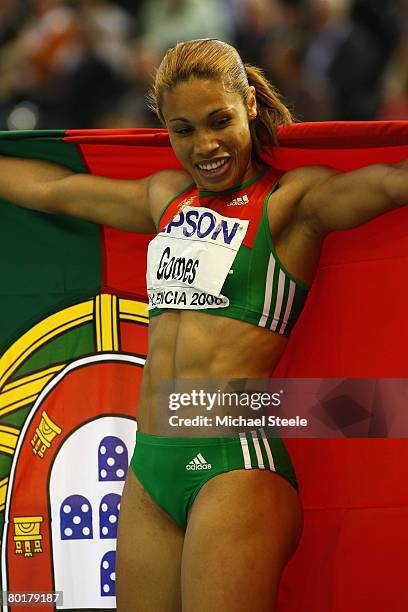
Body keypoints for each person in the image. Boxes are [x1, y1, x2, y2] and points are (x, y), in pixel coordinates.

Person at [0, 38, 407, 612]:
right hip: (148, 468)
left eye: (220, 121)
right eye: (183, 130)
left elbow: (392, 182)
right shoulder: (166, 200)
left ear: (251, 106)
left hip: (234, 466)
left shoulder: (291, 203)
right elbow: (55, 190)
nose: (205, 145)